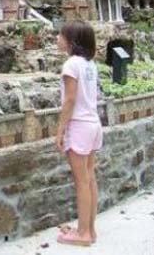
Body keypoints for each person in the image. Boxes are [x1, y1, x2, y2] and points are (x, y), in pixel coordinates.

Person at [55, 20, 103, 247]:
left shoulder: (71, 65)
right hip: (93, 124)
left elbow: (70, 99)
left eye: (61, 35)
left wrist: (60, 130)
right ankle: (89, 230)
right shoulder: (89, 64)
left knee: (81, 181)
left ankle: (82, 234)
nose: (57, 38)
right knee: (90, 178)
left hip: (79, 126)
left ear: (71, 41)